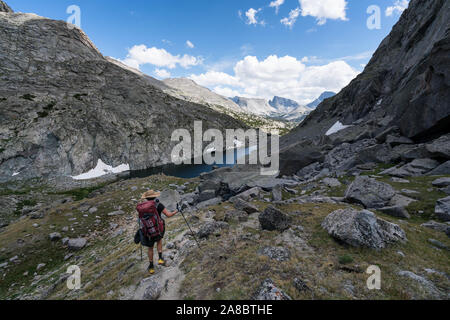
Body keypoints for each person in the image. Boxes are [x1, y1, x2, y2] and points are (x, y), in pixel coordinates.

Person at [137, 190, 178, 275]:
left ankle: (151, 267)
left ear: (146, 198)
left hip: (147, 230)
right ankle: (160, 259)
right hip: (158, 228)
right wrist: (177, 211)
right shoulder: (158, 204)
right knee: (159, 241)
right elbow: (168, 215)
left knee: (150, 247)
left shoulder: (142, 207)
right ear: (155, 196)